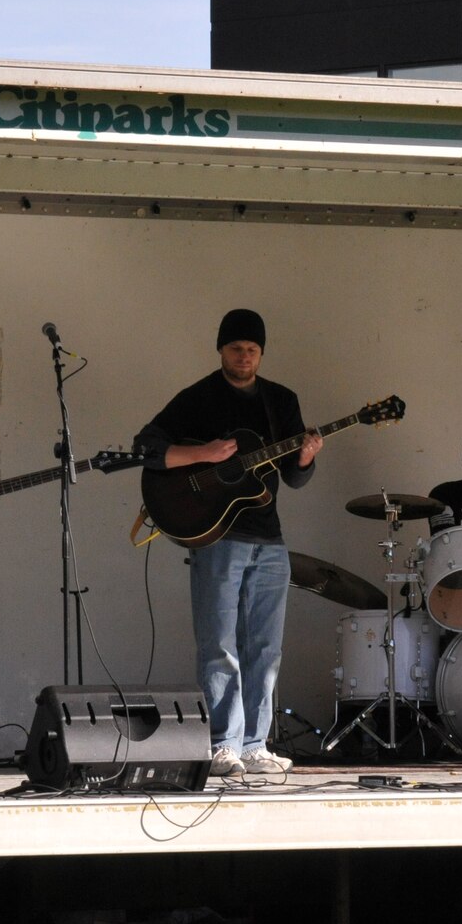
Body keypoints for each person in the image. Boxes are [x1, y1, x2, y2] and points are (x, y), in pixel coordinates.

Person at [135, 309, 322, 778]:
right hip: (217, 536)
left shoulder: (281, 401)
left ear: (262, 353)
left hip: (269, 538)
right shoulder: (197, 398)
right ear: (221, 349)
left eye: (253, 350)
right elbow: (147, 446)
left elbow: (295, 479)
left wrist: (306, 458)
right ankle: (223, 743)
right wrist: (204, 454)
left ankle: (256, 744)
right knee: (219, 645)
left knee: (266, 646)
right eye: (237, 348)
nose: (245, 356)